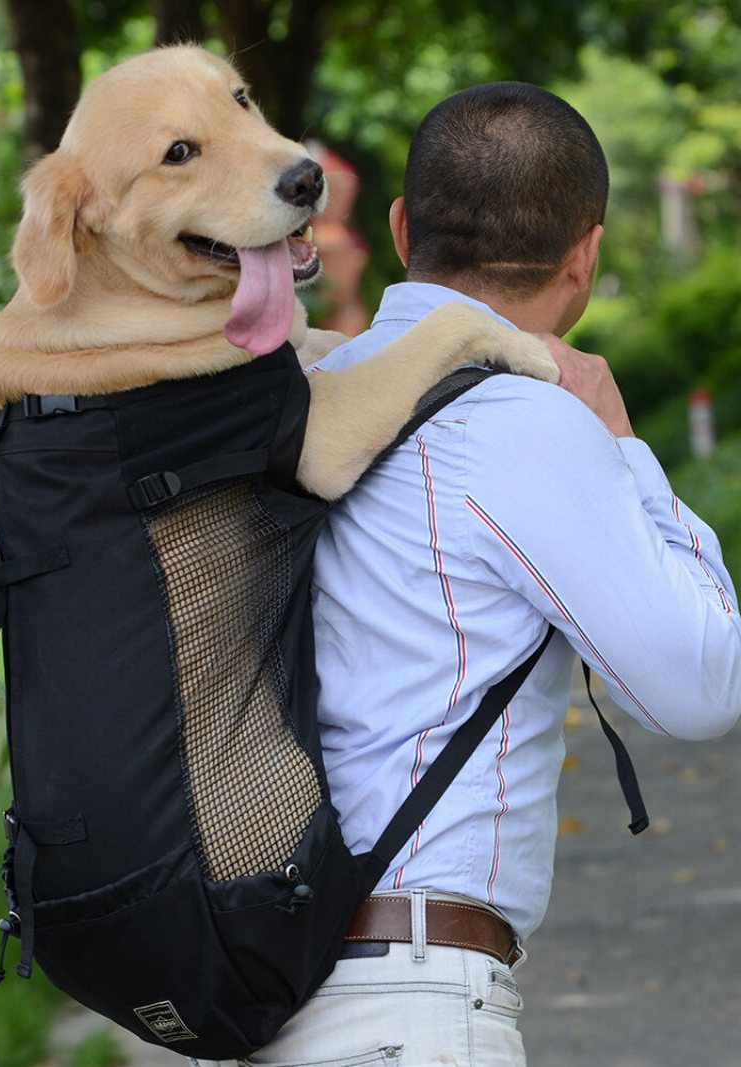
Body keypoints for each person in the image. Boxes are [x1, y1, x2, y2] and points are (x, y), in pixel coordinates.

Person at [199, 82, 741, 1066]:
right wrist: (620, 445)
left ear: (401, 227)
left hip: (253, 980)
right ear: (585, 251)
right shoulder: (522, 425)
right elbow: (700, 684)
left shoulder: (306, 394)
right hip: (403, 1004)